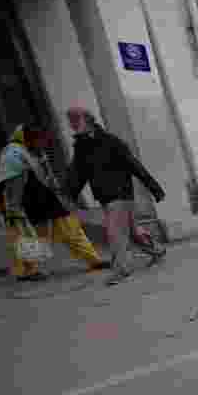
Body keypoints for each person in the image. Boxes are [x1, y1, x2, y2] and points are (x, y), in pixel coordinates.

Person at [0, 124, 107, 282]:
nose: (42, 143)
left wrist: (56, 188)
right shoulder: (13, 153)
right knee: (30, 237)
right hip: (23, 201)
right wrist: (13, 208)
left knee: (70, 228)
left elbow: (47, 176)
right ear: (28, 139)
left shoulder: (35, 151)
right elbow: (12, 182)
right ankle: (28, 271)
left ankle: (94, 260)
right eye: (39, 140)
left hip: (44, 197)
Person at [64, 107, 166, 285]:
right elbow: (77, 174)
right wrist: (68, 194)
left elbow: (133, 165)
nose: (72, 124)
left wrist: (154, 188)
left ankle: (121, 269)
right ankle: (156, 250)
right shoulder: (81, 146)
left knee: (115, 233)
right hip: (105, 196)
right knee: (132, 232)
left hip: (120, 194)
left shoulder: (110, 141)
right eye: (70, 120)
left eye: (75, 120)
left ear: (88, 121)